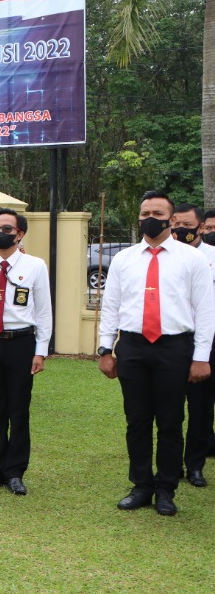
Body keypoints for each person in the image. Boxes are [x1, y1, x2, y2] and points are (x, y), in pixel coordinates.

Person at [99, 190, 215, 516]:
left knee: (170, 421)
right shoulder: (123, 259)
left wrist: (201, 356)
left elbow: (205, 310)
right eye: (145, 211)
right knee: (136, 421)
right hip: (133, 347)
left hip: (174, 347)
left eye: (157, 212)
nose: (150, 217)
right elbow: (111, 307)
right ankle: (141, 485)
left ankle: (166, 488)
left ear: (172, 219)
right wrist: (106, 348)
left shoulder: (192, 259)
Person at [0, 209, 52, 496]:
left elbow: (43, 312)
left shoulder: (36, 265)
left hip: (21, 343)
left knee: (18, 409)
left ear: (20, 234)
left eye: (7, 228)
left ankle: (15, 472)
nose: (0, 232)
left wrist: (40, 351)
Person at [171, 202, 215, 487]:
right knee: (170, 408)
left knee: (200, 408)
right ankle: (171, 464)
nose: (181, 229)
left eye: (188, 225)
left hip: (207, 343)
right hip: (174, 341)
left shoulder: (212, 256)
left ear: (201, 227)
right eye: (177, 224)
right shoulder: (166, 256)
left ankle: (195, 465)